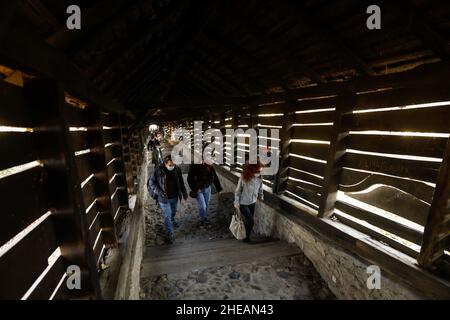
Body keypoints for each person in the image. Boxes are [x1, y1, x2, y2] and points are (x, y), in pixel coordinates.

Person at [148, 155, 188, 244]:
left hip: (175, 196)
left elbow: (181, 181)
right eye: (170, 165)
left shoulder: (177, 169)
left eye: (173, 165)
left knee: (173, 212)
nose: (172, 166)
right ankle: (169, 235)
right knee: (167, 216)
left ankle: (173, 219)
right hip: (164, 198)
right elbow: (151, 183)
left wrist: (184, 192)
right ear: (165, 163)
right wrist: (159, 192)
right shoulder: (158, 170)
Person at [234, 160, 264, 242]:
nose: (260, 172)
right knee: (250, 221)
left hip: (253, 202)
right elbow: (238, 191)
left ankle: (246, 236)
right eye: (258, 170)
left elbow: (260, 188)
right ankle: (246, 238)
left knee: (248, 221)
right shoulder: (244, 177)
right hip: (243, 203)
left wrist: (261, 197)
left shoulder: (259, 178)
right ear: (253, 169)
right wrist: (236, 202)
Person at [187, 159, 223, 227]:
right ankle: (202, 220)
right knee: (203, 206)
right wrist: (196, 189)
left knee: (206, 205)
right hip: (198, 190)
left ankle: (204, 218)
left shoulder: (210, 167)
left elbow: (215, 178)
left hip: (207, 188)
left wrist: (219, 190)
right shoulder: (195, 166)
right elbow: (189, 179)